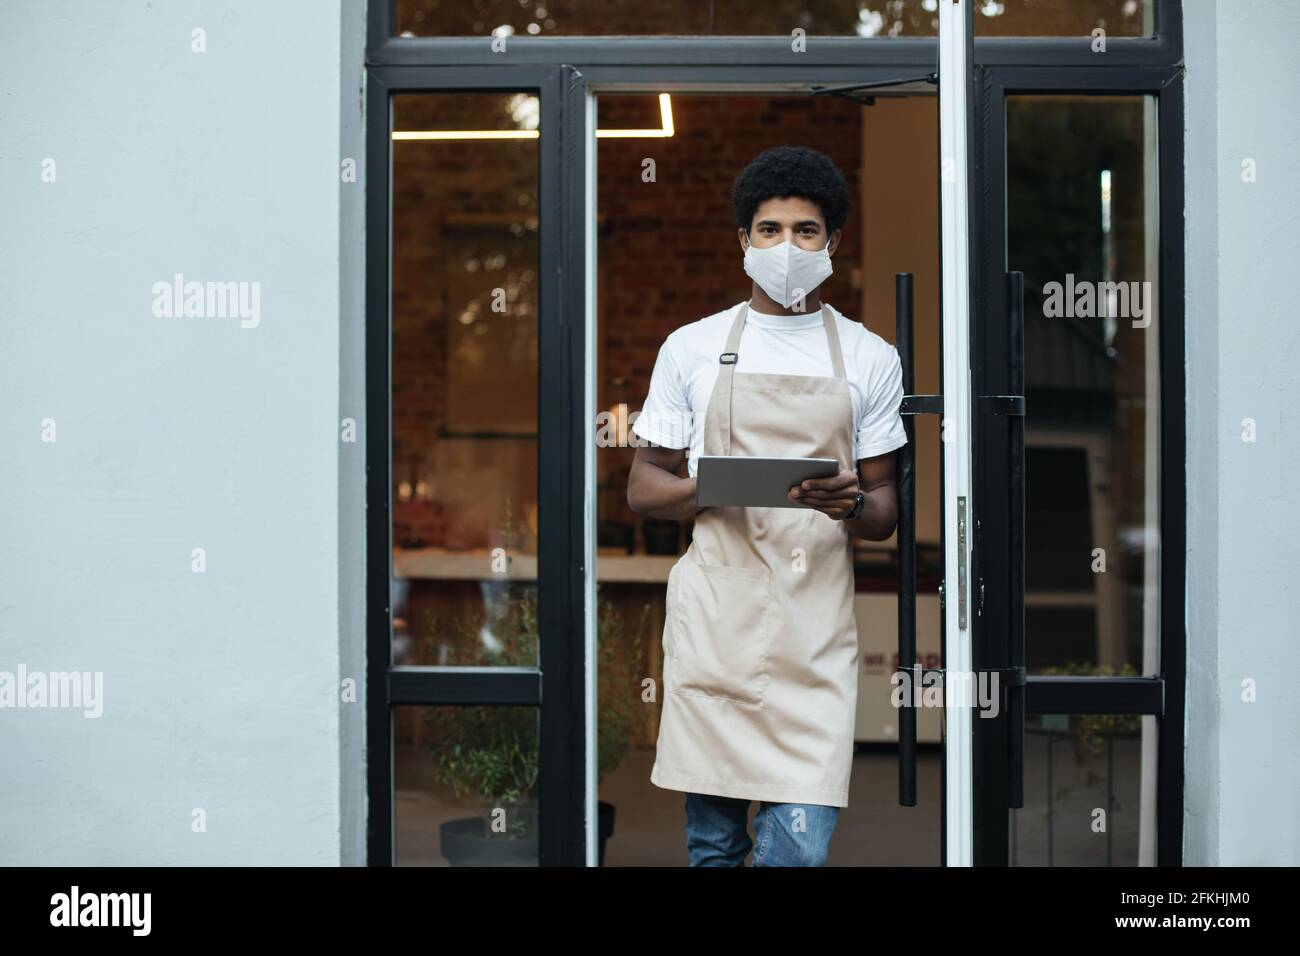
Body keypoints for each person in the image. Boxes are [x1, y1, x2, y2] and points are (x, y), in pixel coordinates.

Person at [626, 145, 908, 867]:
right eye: (771, 229)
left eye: (806, 231)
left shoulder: (868, 357)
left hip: (813, 638)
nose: (788, 246)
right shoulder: (690, 349)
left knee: (798, 856)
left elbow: (883, 513)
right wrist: (710, 486)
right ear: (743, 241)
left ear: (833, 243)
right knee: (715, 849)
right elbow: (643, 486)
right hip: (718, 628)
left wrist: (846, 505)